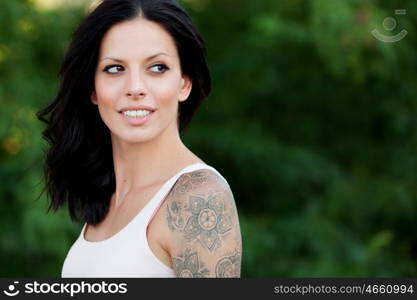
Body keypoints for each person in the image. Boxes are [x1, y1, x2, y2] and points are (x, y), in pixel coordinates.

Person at [37, 0, 242, 278]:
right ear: (93, 89)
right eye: (114, 69)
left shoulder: (198, 197)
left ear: (184, 83)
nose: (135, 88)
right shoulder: (108, 197)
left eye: (157, 68)